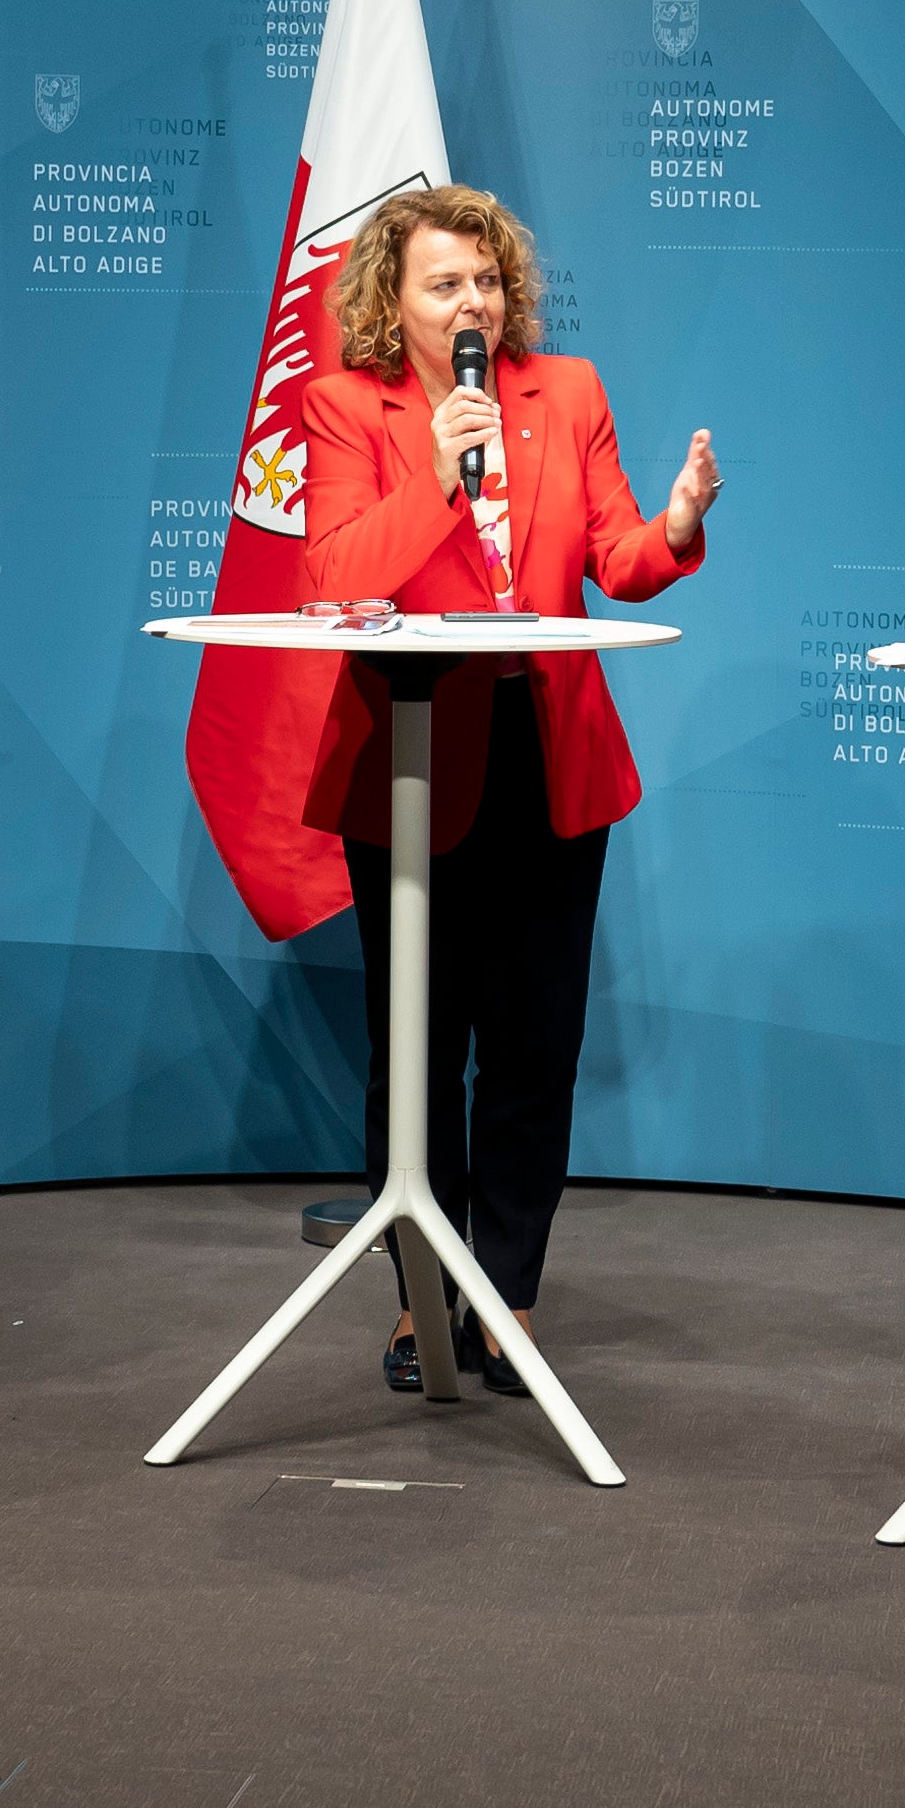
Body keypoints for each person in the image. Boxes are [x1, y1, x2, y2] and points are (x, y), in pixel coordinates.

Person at [287, 185, 720, 1392]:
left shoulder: (564, 391)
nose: (472, 301)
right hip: (411, 760)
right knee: (414, 1052)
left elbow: (618, 560)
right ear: (393, 299)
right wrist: (435, 472)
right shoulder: (342, 406)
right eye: (444, 283)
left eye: (484, 280)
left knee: (535, 1049)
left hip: (545, 753)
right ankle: (425, 1299)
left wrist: (678, 525)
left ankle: (509, 1301)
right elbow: (331, 582)